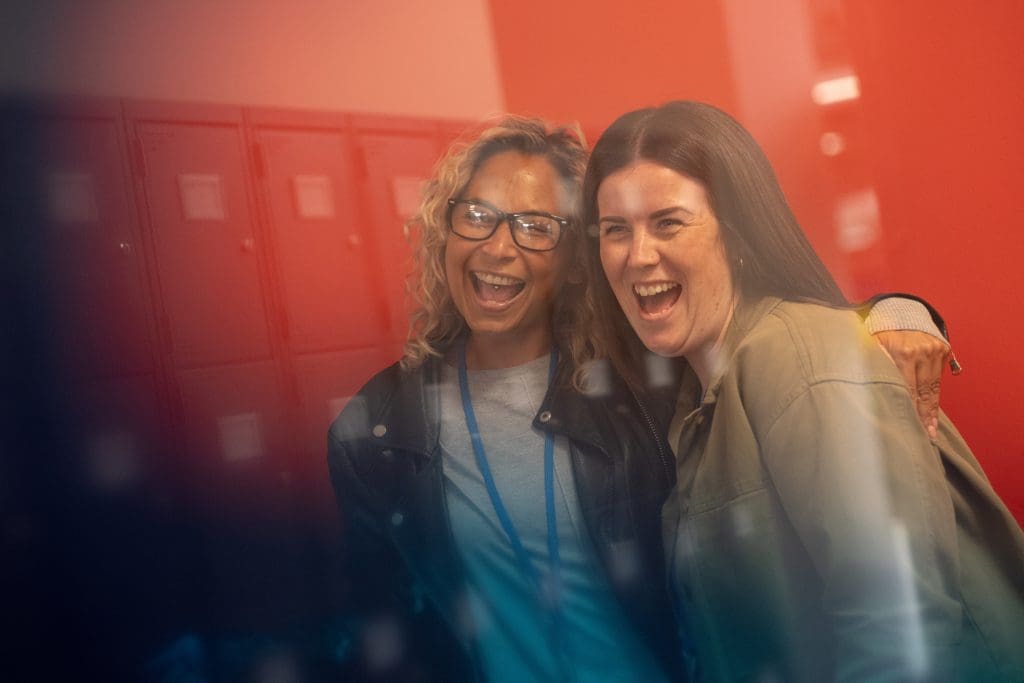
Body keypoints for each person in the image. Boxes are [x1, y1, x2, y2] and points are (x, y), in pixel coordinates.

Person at [327, 116, 950, 682]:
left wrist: (902, 312)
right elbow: (388, 629)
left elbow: (779, 328)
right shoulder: (382, 429)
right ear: (446, 229)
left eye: (536, 227)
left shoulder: (644, 372)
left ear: (577, 257)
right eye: (478, 216)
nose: (498, 247)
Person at [580, 100, 1024, 682]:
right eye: (616, 230)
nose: (638, 256)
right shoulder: (697, 398)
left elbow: (899, 631)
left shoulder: (795, 355)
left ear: (735, 233)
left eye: (668, 222)